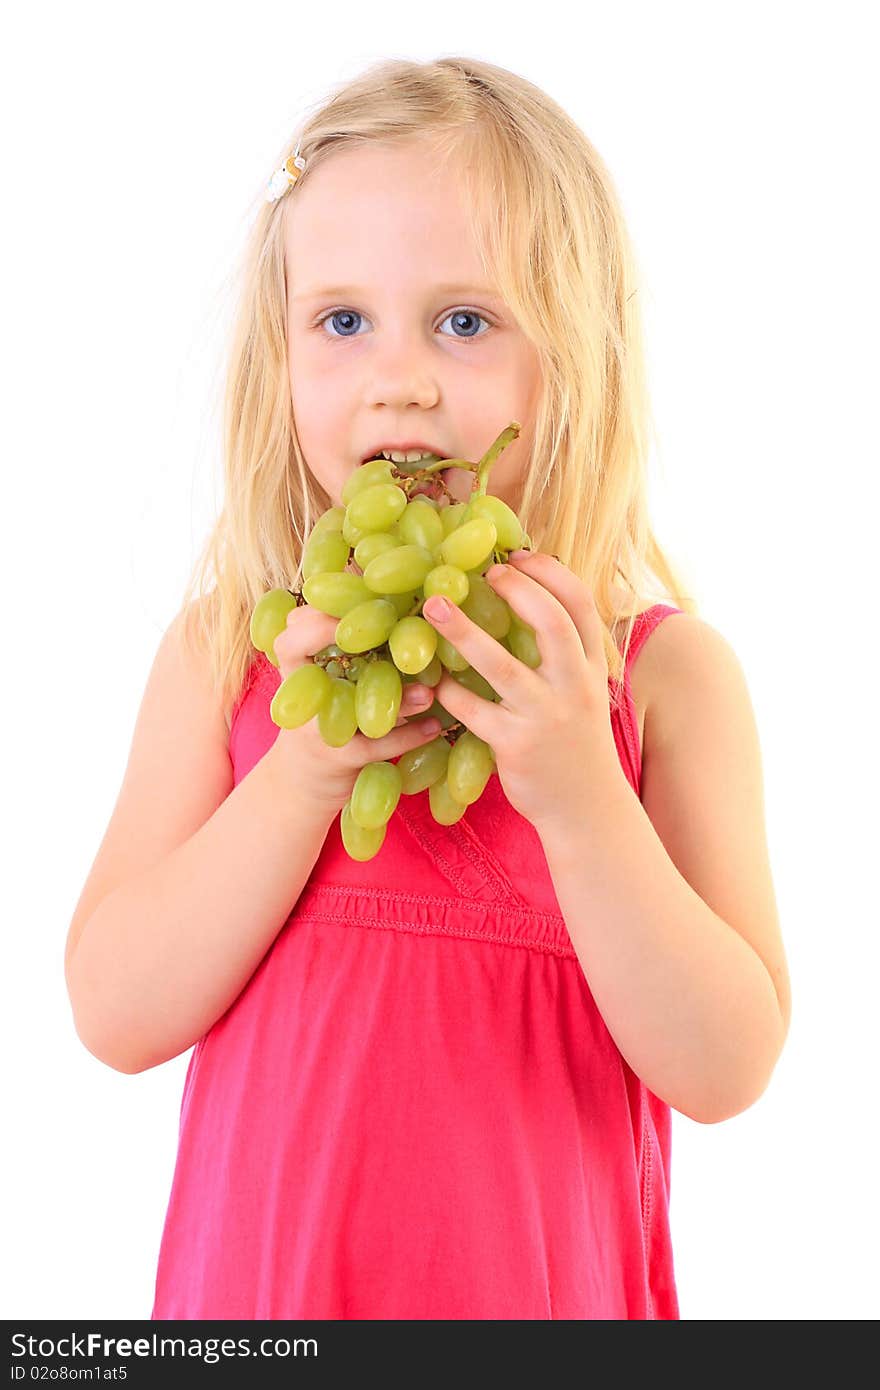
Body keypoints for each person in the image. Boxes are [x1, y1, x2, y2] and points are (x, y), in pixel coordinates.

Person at [63, 56, 791, 1321]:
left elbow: (725, 1064)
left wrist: (578, 797)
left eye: (464, 321)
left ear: (574, 360)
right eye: (342, 322)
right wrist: (299, 772)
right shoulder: (225, 655)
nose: (399, 376)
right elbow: (115, 1010)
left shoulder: (661, 678)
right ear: (279, 364)